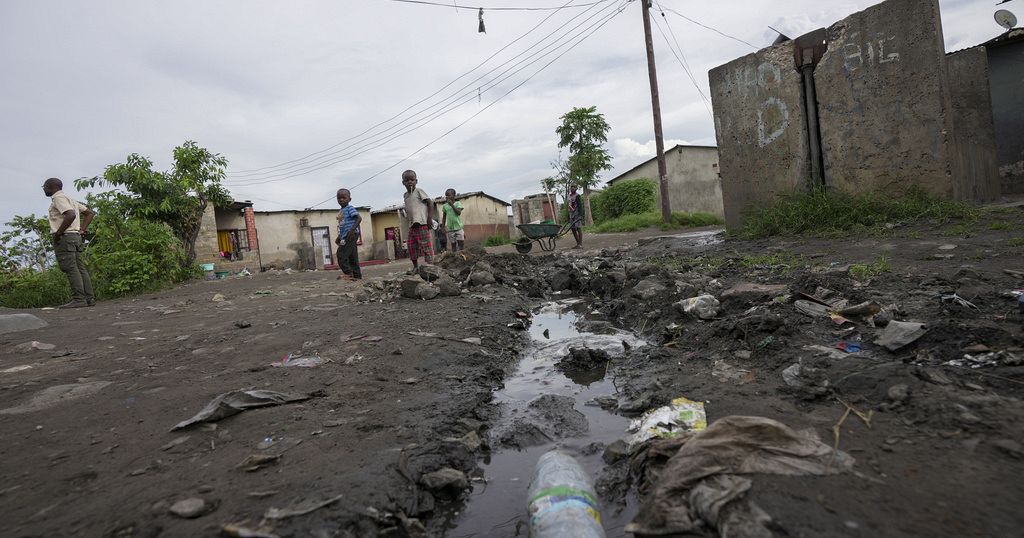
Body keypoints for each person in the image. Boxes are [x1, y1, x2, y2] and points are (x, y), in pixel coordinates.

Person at [42, 178, 96, 308]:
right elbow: (89, 213)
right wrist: (82, 229)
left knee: (70, 267)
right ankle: (89, 298)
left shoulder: (58, 199)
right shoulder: (70, 199)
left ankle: (79, 299)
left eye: (44, 187)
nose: (43, 189)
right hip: (75, 236)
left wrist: (59, 233)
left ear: (51, 186)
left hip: (66, 237)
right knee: (79, 267)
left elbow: (70, 214)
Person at [402, 170, 438, 271]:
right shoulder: (405, 195)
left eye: (412, 180)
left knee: (426, 246)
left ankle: (431, 266)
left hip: (422, 223)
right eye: (407, 180)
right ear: (403, 183)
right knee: (411, 246)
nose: (410, 182)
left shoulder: (418, 191)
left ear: (416, 181)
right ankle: (415, 267)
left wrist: (429, 219)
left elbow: (430, 203)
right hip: (412, 225)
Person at [334, 188, 362, 280]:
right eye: (339, 198)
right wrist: (339, 236)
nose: (341, 199)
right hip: (345, 236)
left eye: (344, 197)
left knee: (341, 254)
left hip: (350, 235)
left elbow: (359, 218)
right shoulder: (341, 211)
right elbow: (343, 226)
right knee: (352, 256)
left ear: (349, 199)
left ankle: (348, 274)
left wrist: (351, 230)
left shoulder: (350, 208)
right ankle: (357, 276)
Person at [440, 188, 465, 252]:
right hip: (450, 229)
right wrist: (442, 227)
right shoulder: (445, 206)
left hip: (459, 228)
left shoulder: (458, 203)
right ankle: (454, 258)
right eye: (446, 196)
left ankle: (462, 256)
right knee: (453, 245)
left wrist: (452, 205)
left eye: (448, 195)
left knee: (461, 245)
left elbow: (458, 213)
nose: (447, 197)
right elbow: (444, 217)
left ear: (454, 196)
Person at [567, 184, 584, 249]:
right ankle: (578, 243)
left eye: (574, 187)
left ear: (576, 189)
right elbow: (568, 205)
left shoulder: (577, 196)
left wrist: (580, 215)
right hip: (571, 214)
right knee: (573, 229)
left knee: (578, 228)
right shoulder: (569, 196)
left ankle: (580, 244)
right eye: (571, 187)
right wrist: (568, 217)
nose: (572, 188)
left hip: (576, 214)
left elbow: (580, 206)